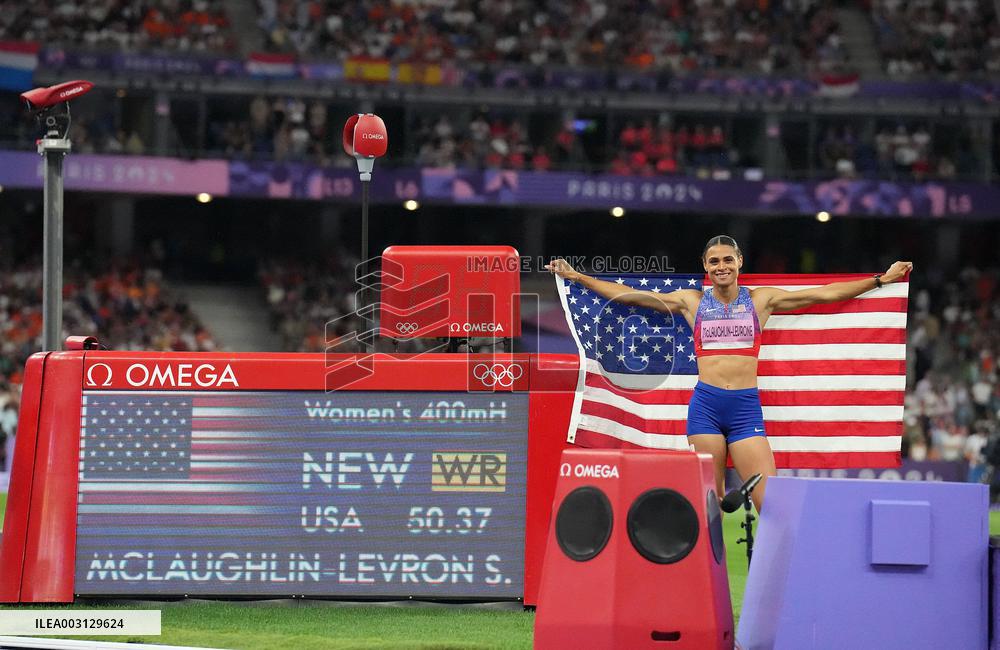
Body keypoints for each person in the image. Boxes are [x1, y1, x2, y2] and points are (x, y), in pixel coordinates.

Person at [547, 235, 912, 511]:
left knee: (770, 505)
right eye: (714, 261)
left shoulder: (761, 300)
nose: (721, 266)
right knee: (710, 505)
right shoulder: (691, 301)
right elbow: (627, 296)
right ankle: (704, 597)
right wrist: (577, 276)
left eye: (727, 259)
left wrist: (881, 280)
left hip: (744, 410)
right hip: (706, 407)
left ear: (739, 261)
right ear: (705, 267)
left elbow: (826, 294)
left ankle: (777, 590)